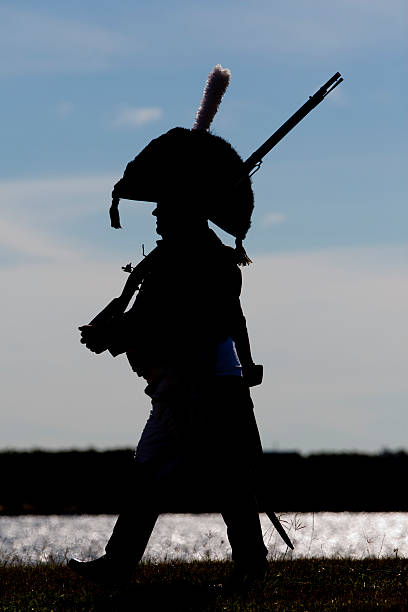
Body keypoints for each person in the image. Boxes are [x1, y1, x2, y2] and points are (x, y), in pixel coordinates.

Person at [69, 66, 268, 586]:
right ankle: (242, 568)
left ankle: (243, 568)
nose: (155, 215)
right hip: (193, 382)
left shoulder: (191, 261)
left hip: (197, 383)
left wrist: (111, 336)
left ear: (183, 210)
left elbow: (170, 321)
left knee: (206, 481)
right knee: (189, 480)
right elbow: (200, 317)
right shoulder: (192, 257)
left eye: (163, 207)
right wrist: (246, 363)